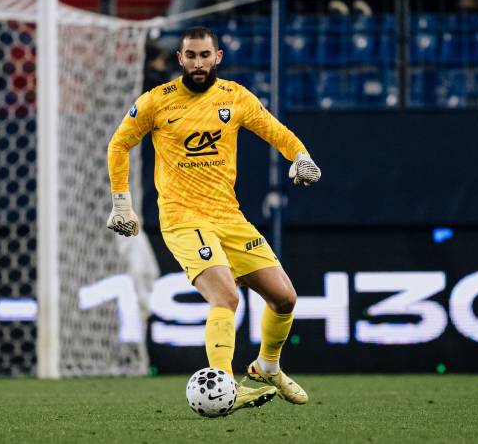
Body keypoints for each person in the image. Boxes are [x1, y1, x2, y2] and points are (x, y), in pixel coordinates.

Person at [106, 26, 321, 413]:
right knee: (225, 295)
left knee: (284, 297)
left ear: (217, 57)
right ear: (180, 59)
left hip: (229, 217)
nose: (199, 63)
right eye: (191, 56)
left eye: (206, 55)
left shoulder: (235, 96)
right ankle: (225, 386)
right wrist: (122, 203)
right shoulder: (157, 101)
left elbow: (275, 131)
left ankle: (267, 367)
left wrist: (301, 156)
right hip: (183, 219)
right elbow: (119, 144)